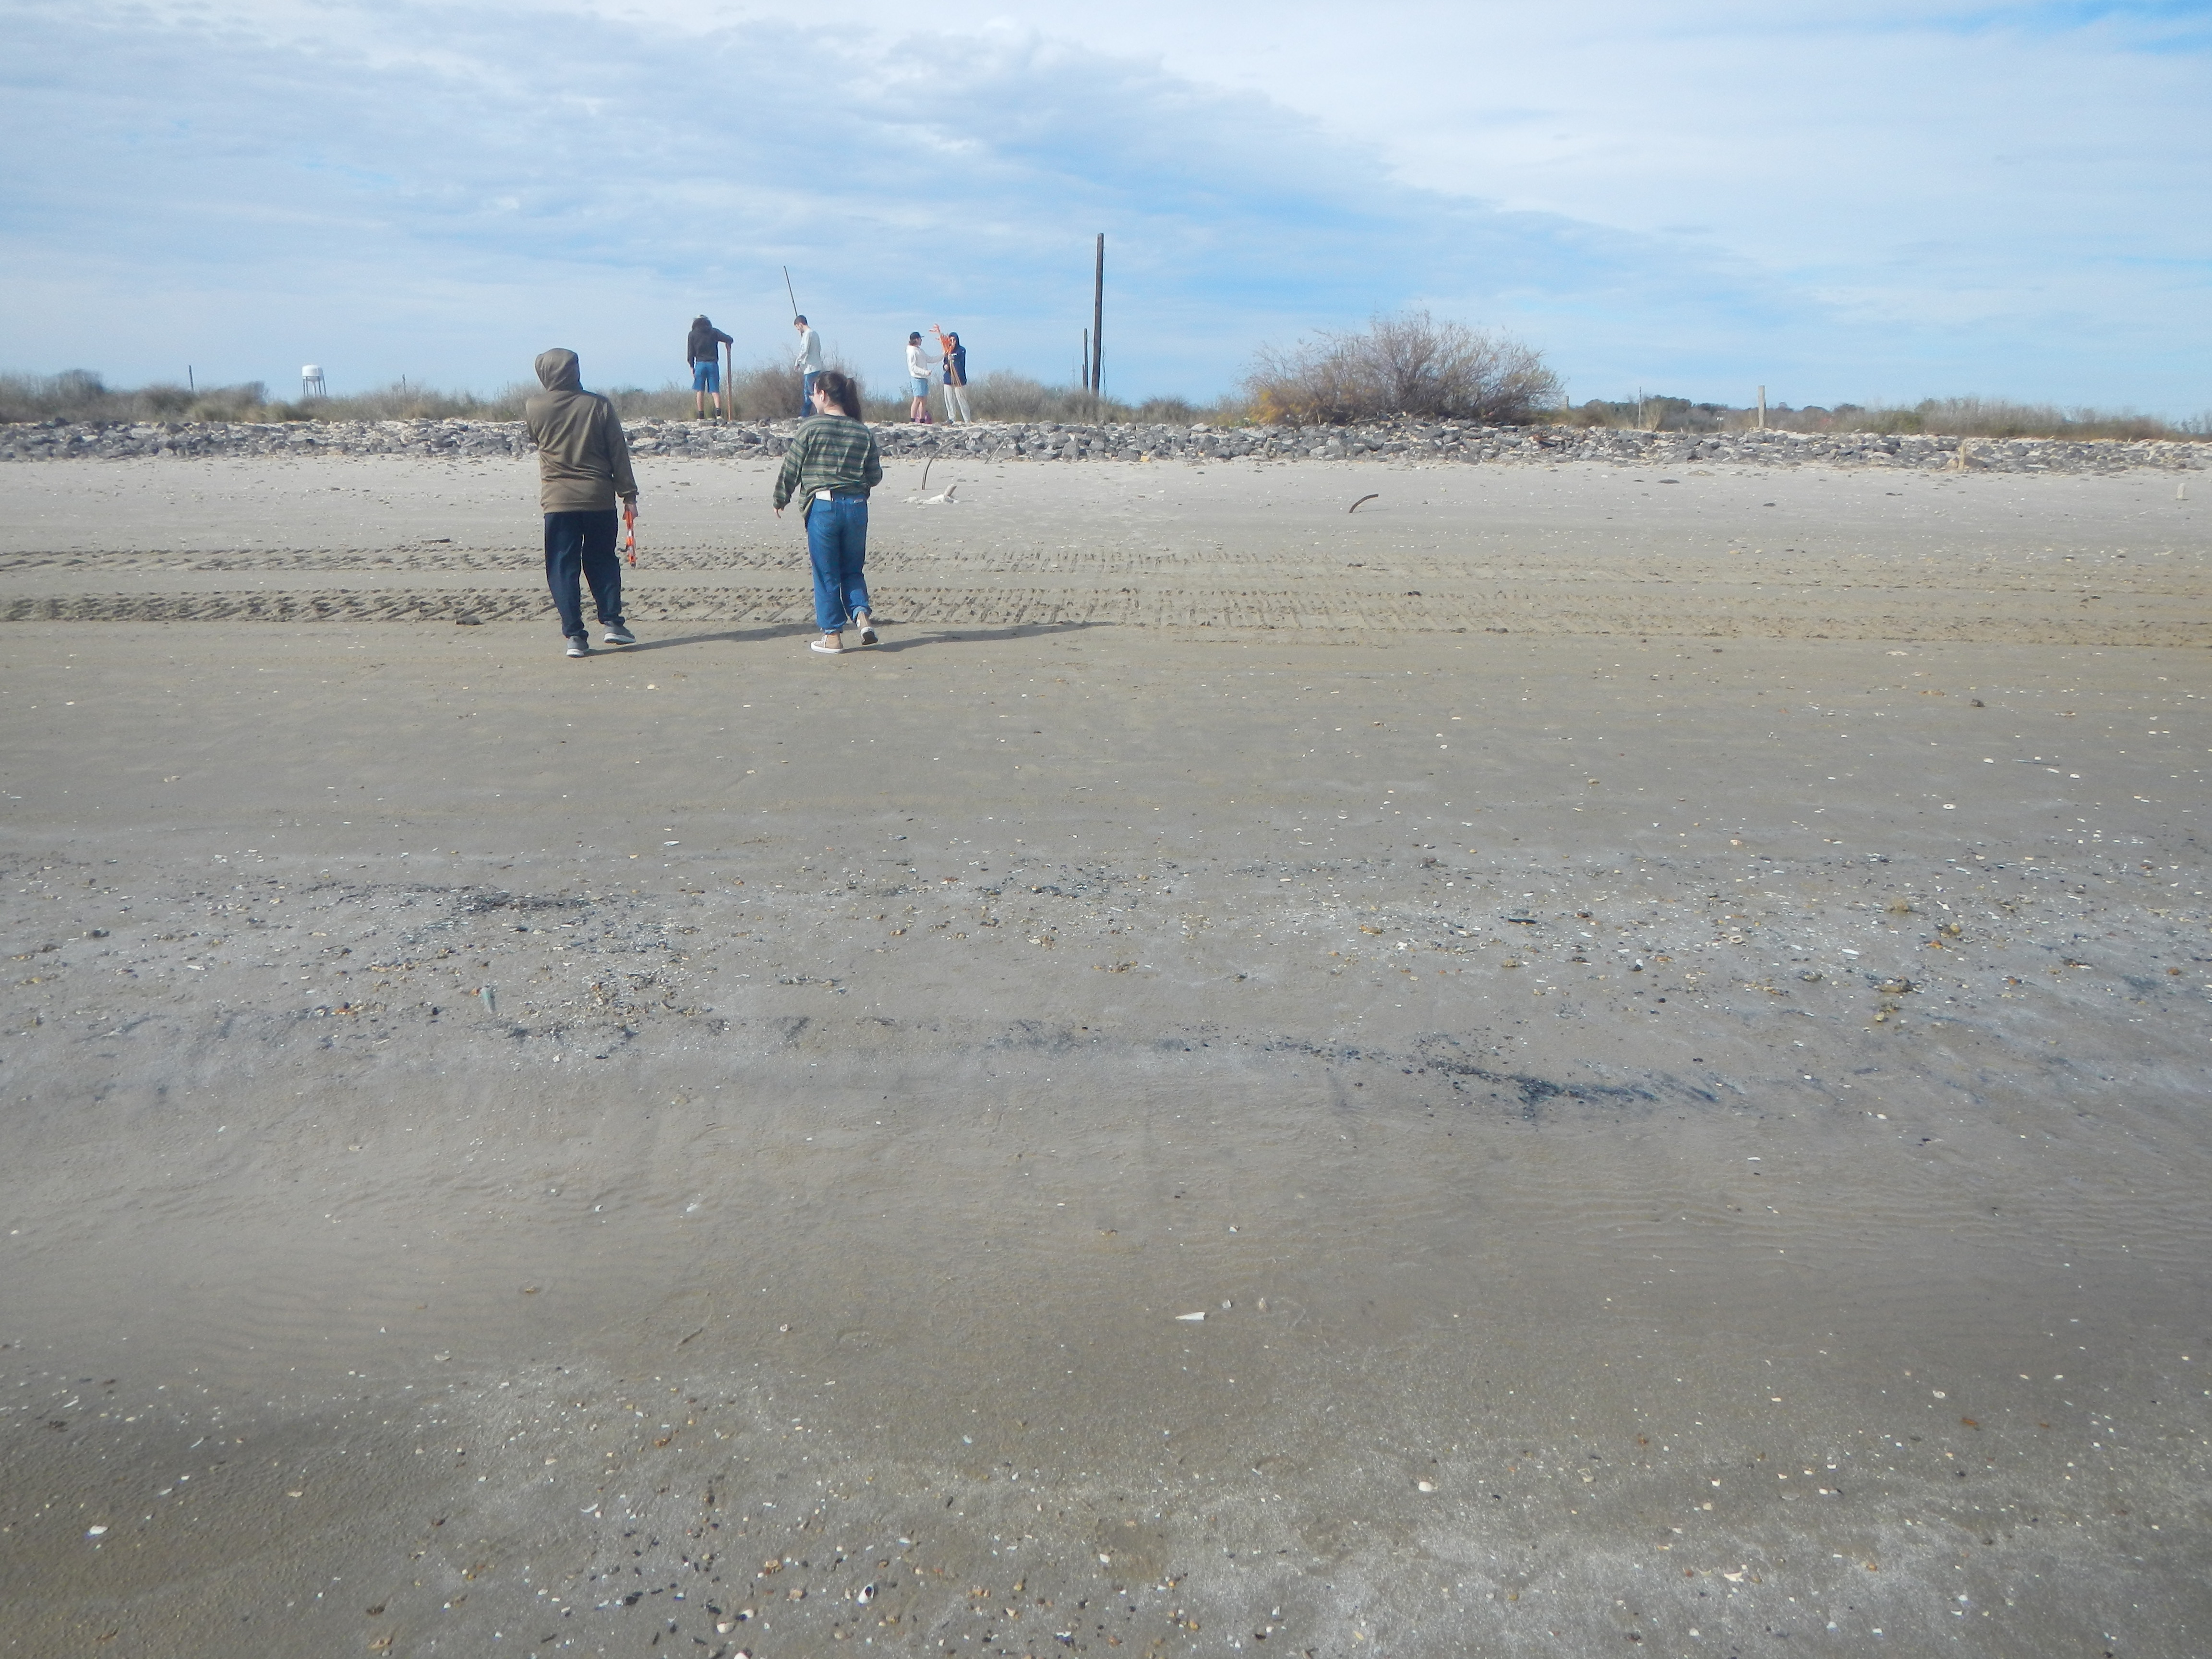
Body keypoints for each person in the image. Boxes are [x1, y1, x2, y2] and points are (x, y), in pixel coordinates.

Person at [524, 348, 639, 658]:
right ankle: (613, 622)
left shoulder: (534, 407)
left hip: (558, 501)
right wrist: (628, 495)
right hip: (599, 498)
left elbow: (537, 440)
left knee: (563, 566)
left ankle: (575, 636)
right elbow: (618, 451)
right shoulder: (599, 405)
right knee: (602, 560)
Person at [771, 369, 882, 655]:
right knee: (853, 569)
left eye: (813, 393)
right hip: (857, 508)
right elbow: (875, 474)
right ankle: (862, 618)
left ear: (822, 395)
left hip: (824, 507)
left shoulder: (811, 427)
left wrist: (780, 498)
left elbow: (791, 467)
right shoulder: (862, 431)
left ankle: (832, 635)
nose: (811, 398)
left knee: (826, 573)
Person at [686, 314, 732, 419]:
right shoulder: (714, 332)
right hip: (712, 364)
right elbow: (729, 339)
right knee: (715, 391)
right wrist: (728, 343)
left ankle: (701, 415)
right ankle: (719, 414)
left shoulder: (692, 335)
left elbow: (690, 352)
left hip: (700, 364)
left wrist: (691, 366)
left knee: (700, 391)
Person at [937, 329, 971, 423]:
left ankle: (967, 420)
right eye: (950, 340)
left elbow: (960, 358)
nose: (952, 342)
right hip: (948, 379)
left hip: (959, 379)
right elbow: (944, 363)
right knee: (949, 400)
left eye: (954, 340)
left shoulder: (962, 350)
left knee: (962, 399)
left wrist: (953, 358)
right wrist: (945, 366)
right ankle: (951, 418)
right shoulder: (947, 351)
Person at [793, 315, 823, 416]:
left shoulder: (807, 335)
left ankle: (814, 416)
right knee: (809, 394)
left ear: (800, 325)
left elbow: (804, 351)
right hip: (816, 368)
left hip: (810, 369)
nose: (798, 331)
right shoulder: (815, 334)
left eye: (798, 328)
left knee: (811, 395)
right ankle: (805, 416)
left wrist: (798, 362)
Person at [904, 332, 934, 423]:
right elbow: (913, 367)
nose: (922, 340)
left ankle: (922, 420)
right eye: (920, 339)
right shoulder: (912, 351)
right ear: (916, 340)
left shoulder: (920, 351)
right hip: (917, 378)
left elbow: (930, 359)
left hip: (924, 378)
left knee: (924, 400)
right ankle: (912, 420)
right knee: (917, 399)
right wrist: (925, 372)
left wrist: (943, 355)